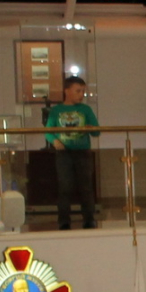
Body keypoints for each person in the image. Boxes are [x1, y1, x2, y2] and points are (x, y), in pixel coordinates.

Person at [44, 76, 100, 230]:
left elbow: (97, 131)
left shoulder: (85, 110)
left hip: (83, 152)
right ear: (67, 91)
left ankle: (89, 219)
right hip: (64, 154)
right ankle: (64, 220)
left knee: (86, 187)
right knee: (65, 187)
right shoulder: (56, 111)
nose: (81, 94)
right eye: (78, 91)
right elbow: (48, 131)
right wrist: (55, 141)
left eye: (83, 91)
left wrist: (91, 129)